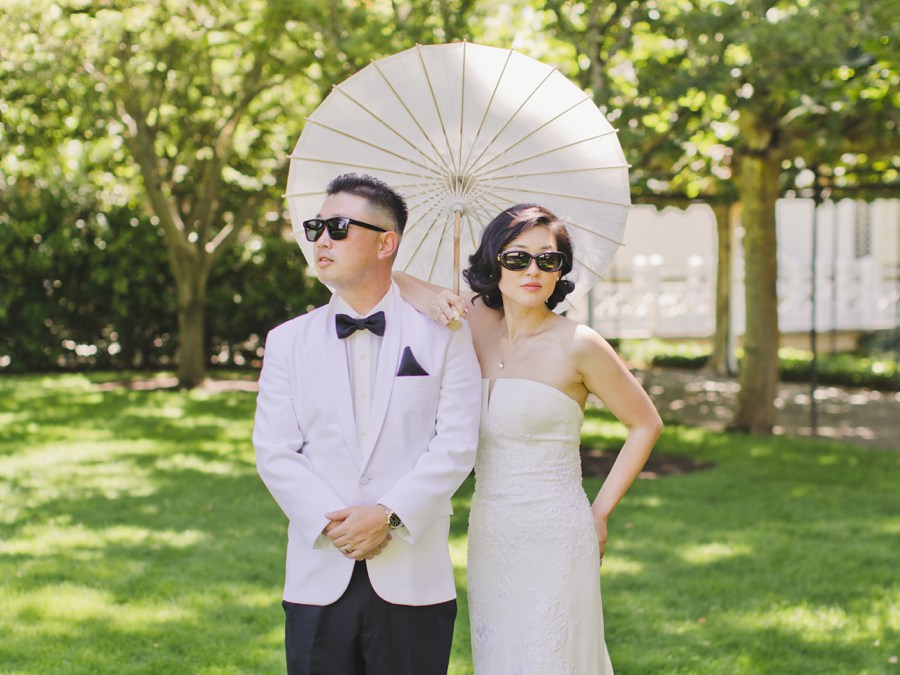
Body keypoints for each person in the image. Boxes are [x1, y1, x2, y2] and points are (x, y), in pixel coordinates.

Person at [394, 203, 663, 674]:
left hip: (557, 534)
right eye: (516, 258)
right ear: (493, 261)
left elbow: (646, 424)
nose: (533, 270)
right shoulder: (471, 326)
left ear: (561, 271)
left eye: (548, 259)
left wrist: (599, 514)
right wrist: (440, 299)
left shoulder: (579, 343)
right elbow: (393, 279)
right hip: (491, 532)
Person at [253, 173, 482, 675]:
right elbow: (274, 451)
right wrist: (336, 523)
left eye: (338, 226)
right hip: (318, 571)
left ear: (386, 243)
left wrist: (388, 515)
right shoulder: (287, 341)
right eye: (317, 227)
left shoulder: (445, 336)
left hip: (413, 576)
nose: (322, 240)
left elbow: (458, 444)